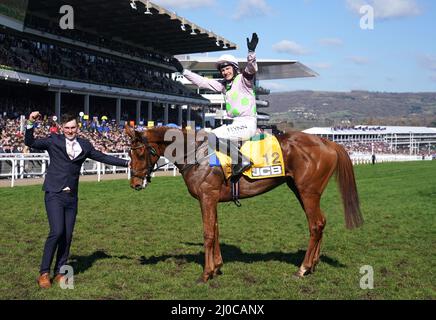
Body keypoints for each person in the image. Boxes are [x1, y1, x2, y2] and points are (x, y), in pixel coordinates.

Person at [24, 111, 130, 289]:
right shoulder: (53, 140)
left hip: (72, 197)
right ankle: (43, 273)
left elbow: (102, 157)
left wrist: (127, 163)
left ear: (77, 127)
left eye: (73, 127)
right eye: (67, 128)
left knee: (67, 236)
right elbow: (30, 142)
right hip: (54, 194)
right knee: (56, 232)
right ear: (61, 128)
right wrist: (30, 123)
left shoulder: (85, 145)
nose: (70, 130)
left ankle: (60, 272)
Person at [172, 33, 259, 178]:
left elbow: (251, 69)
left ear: (235, 68)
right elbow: (202, 82)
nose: (225, 72)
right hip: (236, 123)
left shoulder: (244, 80)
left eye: (227, 68)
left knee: (212, 136)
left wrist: (251, 53)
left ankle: (242, 160)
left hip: (247, 123)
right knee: (211, 137)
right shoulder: (224, 86)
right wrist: (183, 71)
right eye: (223, 70)